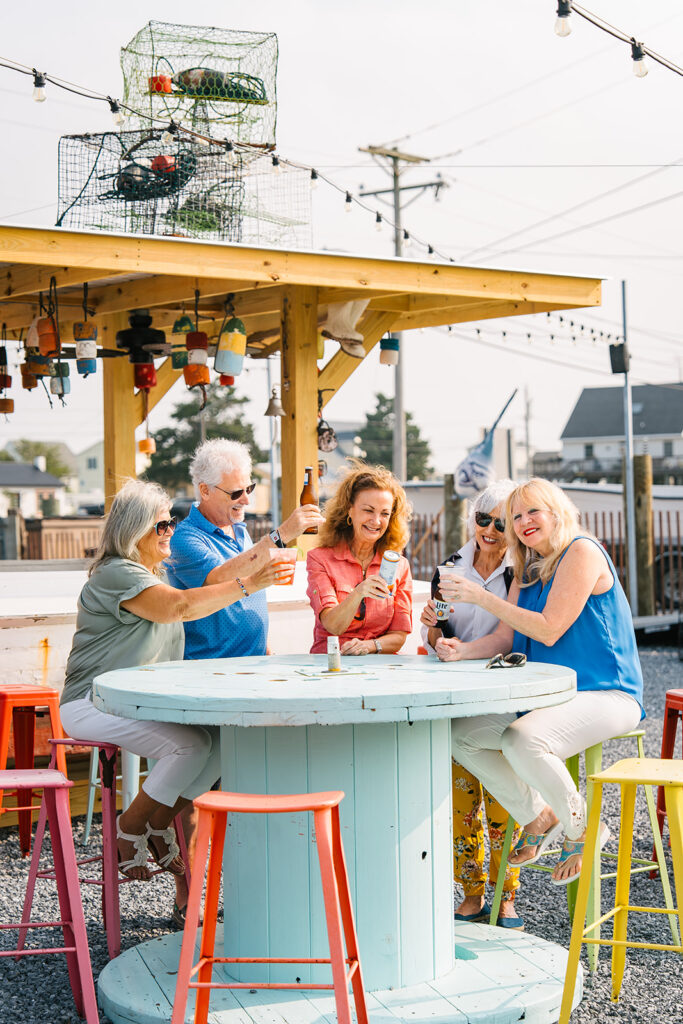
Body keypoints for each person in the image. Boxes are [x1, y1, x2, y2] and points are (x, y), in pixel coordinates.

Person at [59, 479, 288, 926]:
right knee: (191, 746)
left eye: (171, 523)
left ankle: (158, 823)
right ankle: (129, 827)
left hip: (129, 706)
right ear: (134, 530)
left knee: (218, 744)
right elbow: (180, 607)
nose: (170, 532)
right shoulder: (117, 574)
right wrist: (249, 583)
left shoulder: (151, 575)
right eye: (161, 525)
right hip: (90, 704)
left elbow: (184, 609)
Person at [437, 478, 644, 885]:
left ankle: (581, 827)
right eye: (515, 516)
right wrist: (461, 650)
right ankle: (538, 816)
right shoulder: (527, 567)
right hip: (553, 698)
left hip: (608, 692)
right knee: (461, 735)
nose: (523, 522)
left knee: (522, 740)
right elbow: (505, 638)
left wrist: (481, 597)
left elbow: (549, 629)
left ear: (557, 512)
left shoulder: (581, 551)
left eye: (532, 511)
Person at [420, 480, 523, 929]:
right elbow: (437, 630)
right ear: (473, 519)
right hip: (457, 694)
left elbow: (510, 638)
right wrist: (433, 630)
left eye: (502, 523)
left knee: (503, 798)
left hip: (501, 694)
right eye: (484, 519)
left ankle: (506, 895)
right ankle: (472, 892)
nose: (491, 531)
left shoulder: (520, 573)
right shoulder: (448, 568)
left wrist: (459, 649)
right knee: (462, 801)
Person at [167, 439, 324, 658]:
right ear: (205, 490)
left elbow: (250, 590)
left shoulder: (238, 529)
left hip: (253, 659)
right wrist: (281, 535)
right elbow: (220, 579)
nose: (247, 500)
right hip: (211, 665)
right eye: (236, 493)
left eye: (249, 488)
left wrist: (264, 645)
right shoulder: (183, 538)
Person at [306, 462, 413, 655]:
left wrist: (370, 646)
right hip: (331, 663)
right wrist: (358, 593)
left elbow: (399, 636)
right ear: (349, 510)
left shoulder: (400, 566)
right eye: (368, 510)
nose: (376, 521)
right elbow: (333, 625)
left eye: (385, 513)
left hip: (379, 666)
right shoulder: (320, 559)